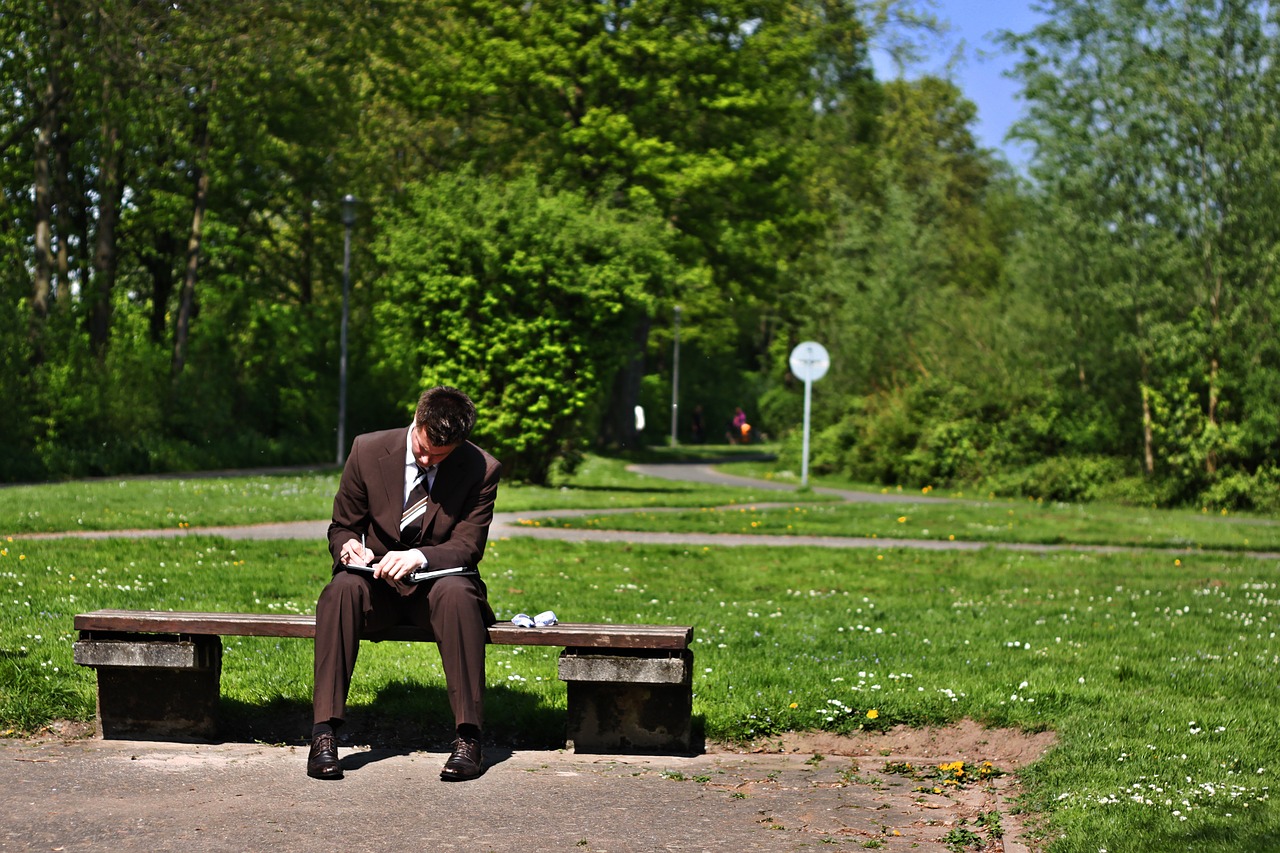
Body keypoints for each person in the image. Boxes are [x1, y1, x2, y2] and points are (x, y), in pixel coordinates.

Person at [308, 385, 501, 783]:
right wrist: (347, 548)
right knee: (340, 591)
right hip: (375, 584)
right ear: (417, 420)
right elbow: (343, 525)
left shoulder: (482, 469)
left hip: (438, 587)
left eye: (440, 456)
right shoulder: (366, 450)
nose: (428, 459)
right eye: (423, 448)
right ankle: (324, 733)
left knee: (459, 596)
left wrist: (421, 556)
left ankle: (469, 737)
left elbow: (467, 546)